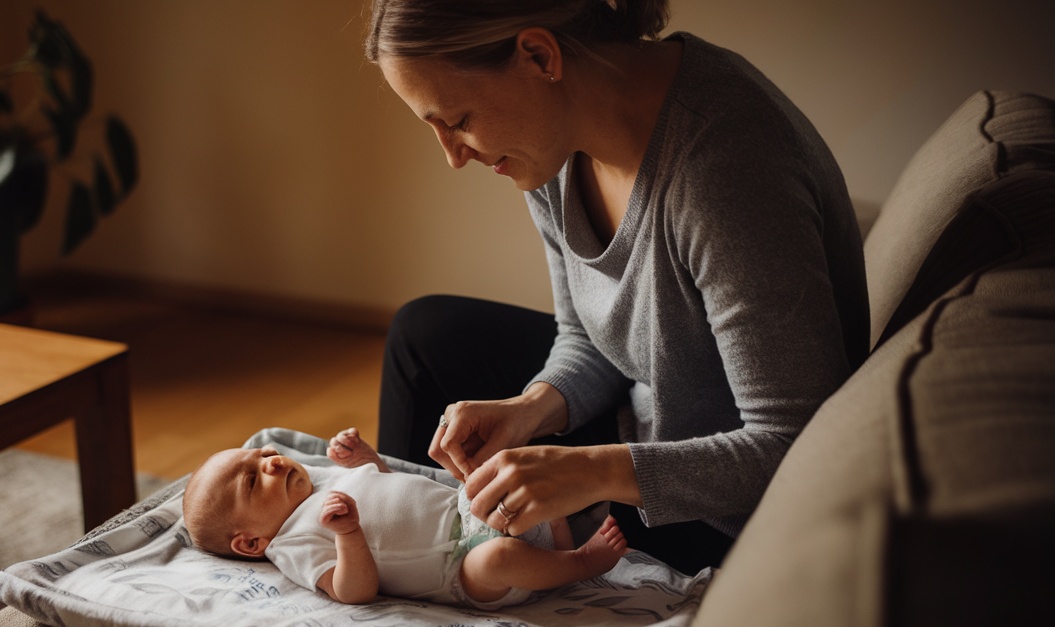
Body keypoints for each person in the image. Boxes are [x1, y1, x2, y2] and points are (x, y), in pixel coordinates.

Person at [366, 0, 869, 574]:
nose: (454, 156)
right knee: (424, 336)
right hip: (647, 416)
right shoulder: (552, 144)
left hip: (727, 507)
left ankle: (426, 582)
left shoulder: (727, 168)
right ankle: (407, 552)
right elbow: (589, 335)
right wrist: (531, 409)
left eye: (457, 121)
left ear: (538, 55)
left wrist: (592, 471)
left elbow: (794, 445)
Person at [181, 428, 629, 607]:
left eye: (264, 454)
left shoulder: (316, 479)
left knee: (514, 468)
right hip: (460, 567)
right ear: (250, 543)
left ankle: (564, 528)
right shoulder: (290, 542)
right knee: (495, 560)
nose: (273, 462)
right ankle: (578, 564)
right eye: (254, 481)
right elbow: (351, 591)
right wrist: (349, 535)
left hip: (470, 510)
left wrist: (367, 459)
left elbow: (392, 487)